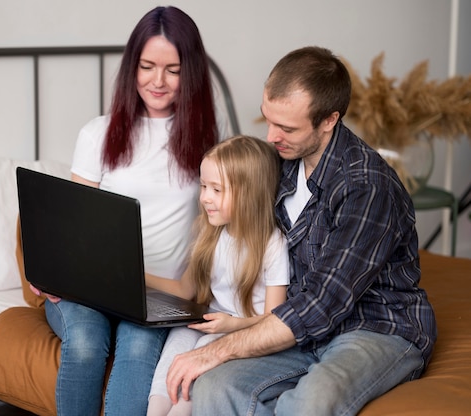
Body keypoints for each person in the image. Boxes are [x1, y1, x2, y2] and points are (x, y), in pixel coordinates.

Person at [164, 46, 438, 416]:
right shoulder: (282, 162)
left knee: (309, 403)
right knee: (214, 387)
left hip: (375, 327)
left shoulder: (367, 187)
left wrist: (220, 348)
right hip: (301, 327)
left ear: (329, 120)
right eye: (268, 120)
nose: (272, 137)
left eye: (287, 128)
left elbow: (322, 304)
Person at [29, 6, 224, 416]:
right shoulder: (97, 133)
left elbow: (215, 229)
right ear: (131, 67)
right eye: (147, 66)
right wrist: (51, 272)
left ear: (191, 73)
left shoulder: (209, 140)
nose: (158, 81)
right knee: (84, 345)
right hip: (88, 289)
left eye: (172, 69)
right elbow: (74, 225)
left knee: (136, 351)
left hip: (158, 295)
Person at [145, 135, 290, 416]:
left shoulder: (273, 244)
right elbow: (185, 289)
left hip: (242, 330)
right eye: (203, 186)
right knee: (171, 364)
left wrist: (232, 325)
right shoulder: (210, 232)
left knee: (189, 378)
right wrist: (139, 276)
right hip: (209, 321)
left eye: (217, 190)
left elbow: (276, 318)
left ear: (249, 194)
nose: (205, 198)